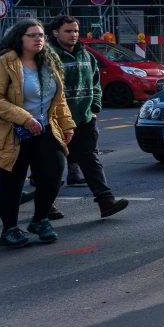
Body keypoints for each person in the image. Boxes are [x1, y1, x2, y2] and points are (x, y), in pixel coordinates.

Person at [0, 19, 76, 248]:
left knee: (54, 173)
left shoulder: (49, 62)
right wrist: (24, 118)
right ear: (20, 38)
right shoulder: (4, 63)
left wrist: (67, 125)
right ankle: (9, 230)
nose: (39, 39)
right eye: (33, 35)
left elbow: (59, 100)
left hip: (46, 128)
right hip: (13, 131)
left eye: (41, 35)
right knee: (13, 181)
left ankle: (40, 220)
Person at [47, 15, 128, 220]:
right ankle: (46, 205)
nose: (73, 35)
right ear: (55, 32)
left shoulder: (86, 55)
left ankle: (105, 201)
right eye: (68, 31)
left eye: (75, 30)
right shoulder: (47, 56)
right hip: (55, 122)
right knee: (51, 166)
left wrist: (94, 108)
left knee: (91, 161)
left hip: (84, 119)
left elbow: (95, 83)